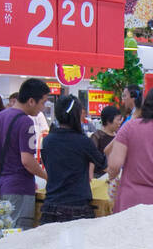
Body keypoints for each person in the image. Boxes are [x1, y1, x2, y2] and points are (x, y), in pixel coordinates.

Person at [0, 78, 51, 227]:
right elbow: (27, 161)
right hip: (19, 187)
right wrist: (47, 177)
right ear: (31, 101)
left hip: (1, 183)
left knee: (5, 230)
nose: (43, 108)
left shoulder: (0, 116)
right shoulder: (26, 122)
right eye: (42, 102)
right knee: (19, 234)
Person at [40, 94, 106, 224]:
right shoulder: (83, 142)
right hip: (77, 207)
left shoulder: (47, 141)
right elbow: (104, 164)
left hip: (51, 206)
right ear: (76, 114)